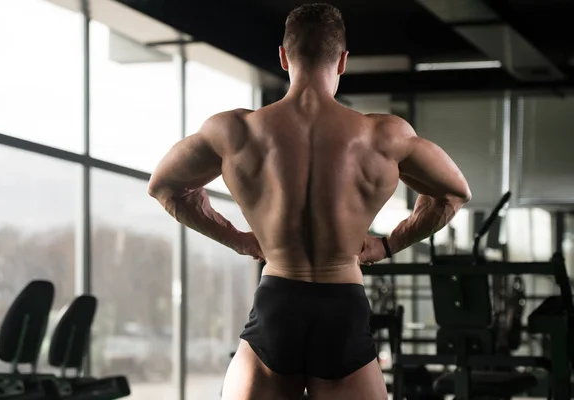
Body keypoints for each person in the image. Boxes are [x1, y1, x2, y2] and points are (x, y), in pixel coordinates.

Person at [148, 3, 471, 399]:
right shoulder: (384, 136)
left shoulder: (237, 131)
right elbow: (454, 194)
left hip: (277, 301)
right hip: (344, 306)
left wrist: (239, 239)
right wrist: (388, 245)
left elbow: (165, 187)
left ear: (283, 57)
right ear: (343, 62)